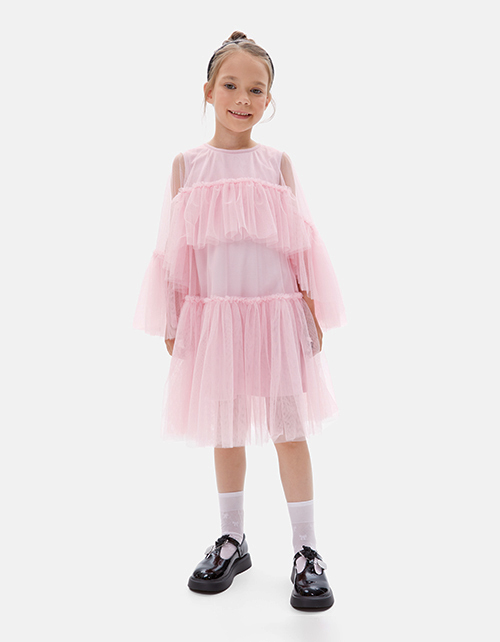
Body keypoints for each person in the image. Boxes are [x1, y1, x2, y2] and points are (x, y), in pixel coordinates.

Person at [133, 30, 347, 611]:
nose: (242, 99)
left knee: (289, 430)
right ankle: (233, 538)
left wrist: (309, 307)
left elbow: (300, 240)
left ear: (269, 99)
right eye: (230, 85)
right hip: (216, 319)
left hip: (276, 315)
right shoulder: (187, 166)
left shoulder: (277, 164)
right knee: (225, 430)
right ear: (208, 91)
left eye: (256, 89)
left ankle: (306, 549)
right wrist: (176, 314)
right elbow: (175, 248)